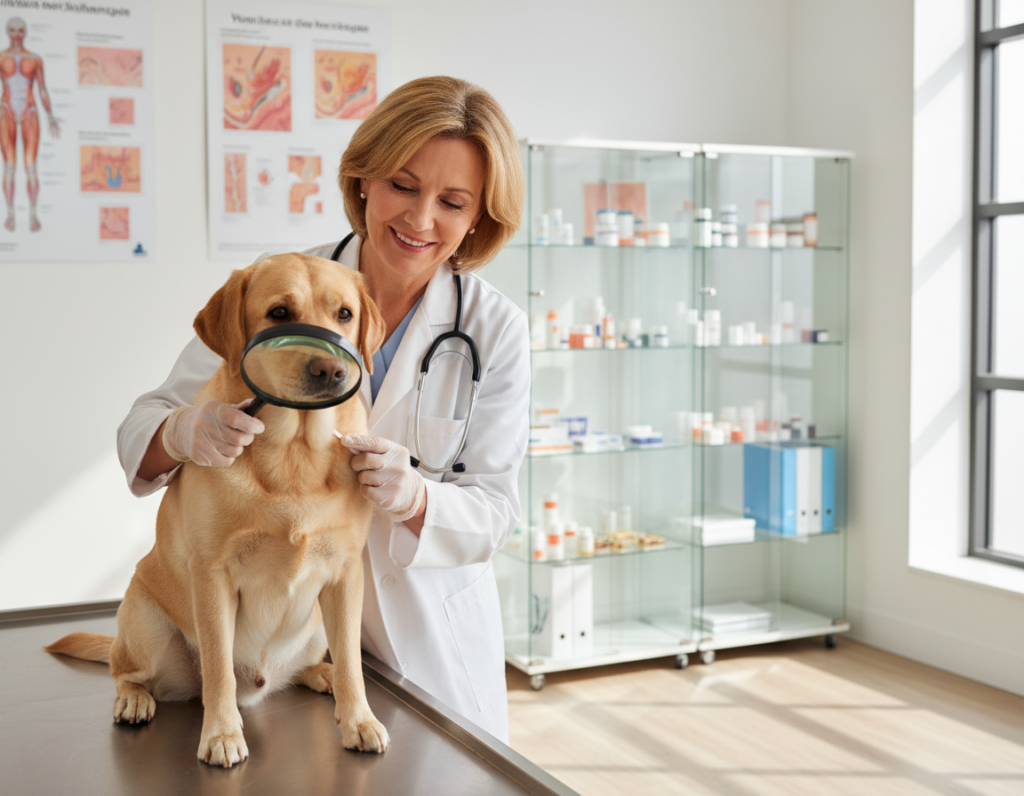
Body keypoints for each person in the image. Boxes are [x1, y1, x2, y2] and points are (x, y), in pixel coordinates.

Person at [116, 76, 528, 743]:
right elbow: (144, 425)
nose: (421, 219)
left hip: (430, 643)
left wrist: (415, 496)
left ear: (479, 215)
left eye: (452, 202)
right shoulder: (276, 285)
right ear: (363, 180)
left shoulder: (495, 329)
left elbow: (496, 512)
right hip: (289, 643)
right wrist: (184, 429)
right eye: (402, 184)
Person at [1, 16, 60, 232]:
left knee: (31, 167)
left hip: (30, 111)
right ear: (8, 32)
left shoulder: (35, 59)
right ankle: (9, 215)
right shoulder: (1, 57)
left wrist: (51, 116)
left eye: (20, 30)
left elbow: (42, 89)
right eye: (12, 30)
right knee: (9, 167)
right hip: (6, 111)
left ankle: (33, 215)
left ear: (24, 33)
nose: (16, 34)